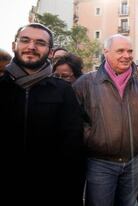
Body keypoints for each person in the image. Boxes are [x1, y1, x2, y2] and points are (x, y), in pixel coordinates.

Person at [73, 34, 138, 206]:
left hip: (135, 160)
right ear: (106, 52)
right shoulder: (85, 83)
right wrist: (92, 138)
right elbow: (74, 120)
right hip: (100, 163)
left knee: (129, 203)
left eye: (130, 51)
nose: (127, 55)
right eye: (120, 51)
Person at [0, 23, 85, 205]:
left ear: (50, 51)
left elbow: (73, 148)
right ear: (14, 45)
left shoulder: (63, 91)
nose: (31, 47)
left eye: (40, 42)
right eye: (25, 40)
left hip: (51, 191)